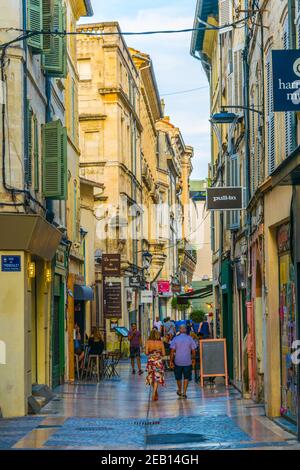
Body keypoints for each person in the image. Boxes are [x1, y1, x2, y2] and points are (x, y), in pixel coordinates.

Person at [170, 324, 197, 399]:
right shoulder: (190, 338)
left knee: (178, 377)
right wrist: (193, 359)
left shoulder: (175, 339)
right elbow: (193, 350)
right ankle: (184, 392)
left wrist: (171, 361)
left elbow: (172, 351)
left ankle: (179, 390)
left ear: (179, 330)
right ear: (185, 330)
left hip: (178, 361)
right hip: (187, 361)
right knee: (186, 377)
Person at [145, 329, 166, 401]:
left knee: (151, 377)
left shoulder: (148, 342)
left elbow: (146, 353)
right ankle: (154, 393)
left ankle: (155, 392)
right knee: (157, 378)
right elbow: (163, 354)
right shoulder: (160, 342)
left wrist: (152, 353)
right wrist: (158, 353)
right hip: (158, 361)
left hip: (151, 361)